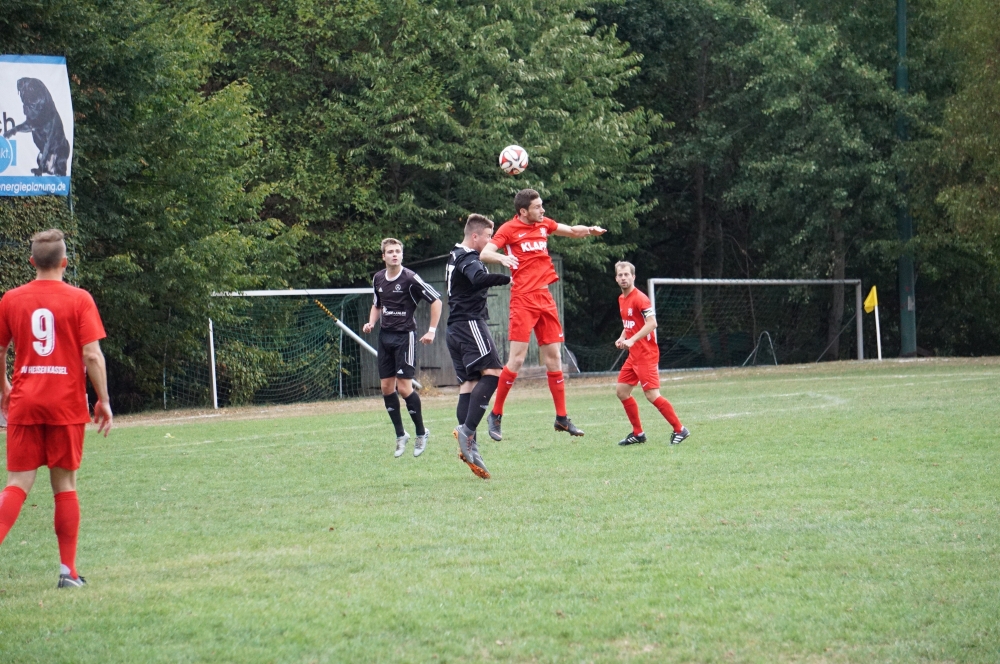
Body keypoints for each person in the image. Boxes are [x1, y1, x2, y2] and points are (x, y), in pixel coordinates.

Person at [0, 229, 113, 589]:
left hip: (25, 402)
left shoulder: (11, 299)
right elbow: (92, 354)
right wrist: (104, 400)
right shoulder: (79, 299)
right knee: (64, 484)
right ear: (64, 262)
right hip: (65, 405)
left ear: (32, 262)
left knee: (17, 483)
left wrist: (4, 385)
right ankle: (68, 572)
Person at [479, 188, 605, 441]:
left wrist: (590, 231)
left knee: (554, 359)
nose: (542, 210)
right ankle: (496, 414)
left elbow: (570, 231)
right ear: (523, 211)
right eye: (537, 207)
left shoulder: (544, 224)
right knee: (516, 359)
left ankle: (561, 418)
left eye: (542, 205)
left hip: (544, 298)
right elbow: (484, 253)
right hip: (523, 299)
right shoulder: (508, 229)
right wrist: (502, 260)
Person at [363, 238, 442, 458]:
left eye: (398, 251)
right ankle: (400, 435)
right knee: (387, 388)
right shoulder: (378, 278)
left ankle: (421, 432)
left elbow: (436, 300)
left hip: (405, 337)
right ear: (384, 256)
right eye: (390, 252)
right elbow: (377, 304)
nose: (395, 255)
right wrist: (371, 322)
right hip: (385, 336)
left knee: (405, 389)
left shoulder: (410, 278)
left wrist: (432, 330)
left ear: (402, 255)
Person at [446, 215, 512, 480]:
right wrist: (508, 279)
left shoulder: (454, 254)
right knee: (495, 374)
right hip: (470, 324)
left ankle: (469, 442)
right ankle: (468, 433)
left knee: (469, 385)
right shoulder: (469, 258)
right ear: (476, 237)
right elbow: (477, 278)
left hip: (455, 329)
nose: (490, 242)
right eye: (488, 237)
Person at [612, 261, 690, 446]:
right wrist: (622, 338)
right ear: (616, 278)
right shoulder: (621, 299)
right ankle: (638, 434)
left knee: (652, 395)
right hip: (634, 356)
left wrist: (632, 340)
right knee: (622, 392)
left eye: (626, 275)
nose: (623, 278)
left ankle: (680, 429)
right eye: (620, 275)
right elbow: (629, 324)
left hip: (646, 355)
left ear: (633, 277)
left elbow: (652, 323)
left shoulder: (640, 298)